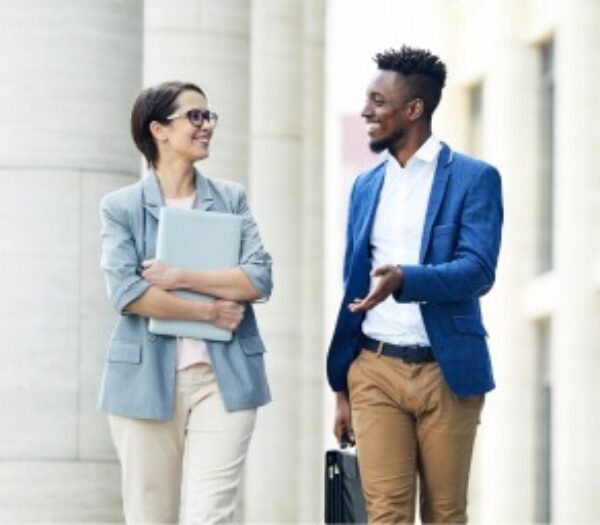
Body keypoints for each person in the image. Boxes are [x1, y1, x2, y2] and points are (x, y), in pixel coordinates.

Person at [327, 46, 503, 523]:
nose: (366, 110)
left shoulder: (474, 178)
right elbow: (352, 287)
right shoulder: (365, 186)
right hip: (375, 368)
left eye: (378, 101)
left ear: (414, 109)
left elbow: (479, 270)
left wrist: (407, 279)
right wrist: (342, 386)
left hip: (446, 370)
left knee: (446, 513)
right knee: (385, 513)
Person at [98, 81, 272, 524]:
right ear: (159, 129)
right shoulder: (121, 207)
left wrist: (179, 278)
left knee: (210, 513)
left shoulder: (230, 198)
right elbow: (128, 293)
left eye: (209, 117)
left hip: (225, 378)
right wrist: (209, 310)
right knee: (149, 514)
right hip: (144, 381)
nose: (206, 126)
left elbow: (258, 278)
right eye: (195, 116)